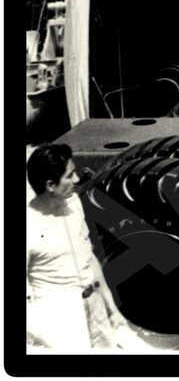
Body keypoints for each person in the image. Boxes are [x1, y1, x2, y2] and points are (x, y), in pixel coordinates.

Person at [26, 144, 131, 351]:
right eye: (70, 175)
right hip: (61, 317)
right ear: (50, 186)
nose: (76, 180)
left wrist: (112, 309)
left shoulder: (73, 203)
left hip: (95, 304)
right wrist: (38, 333)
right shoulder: (29, 225)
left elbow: (89, 256)